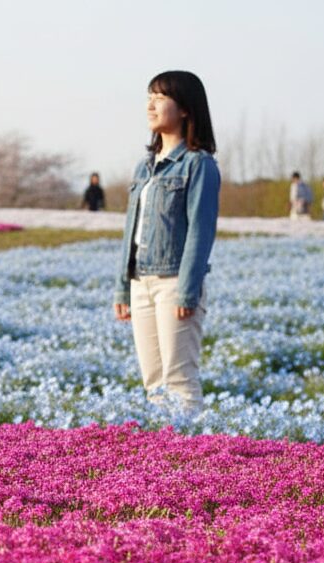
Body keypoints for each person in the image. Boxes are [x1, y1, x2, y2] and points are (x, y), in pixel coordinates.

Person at [113, 70, 220, 416]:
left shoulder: (198, 165)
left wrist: (187, 291)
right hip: (140, 281)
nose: (151, 105)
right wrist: (122, 289)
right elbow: (131, 230)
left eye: (160, 98)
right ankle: (164, 461)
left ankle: (194, 459)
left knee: (179, 378)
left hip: (175, 282)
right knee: (153, 381)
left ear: (186, 109)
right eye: (149, 97)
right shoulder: (144, 167)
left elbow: (200, 232)